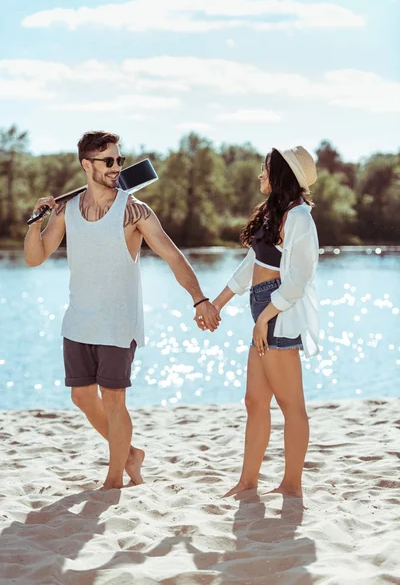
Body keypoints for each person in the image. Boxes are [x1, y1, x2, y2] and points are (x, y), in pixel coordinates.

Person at [24, 130, 221, 490]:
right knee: (81, 396)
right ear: (87, 165)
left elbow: (172, 255)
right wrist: (37, 220)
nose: (116, 167)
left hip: (117, 322)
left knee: (114, 400)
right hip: (78, 320)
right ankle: (129, 453)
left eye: (120, 160)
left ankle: (115, 477)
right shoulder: (68, 210)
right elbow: (35, 258)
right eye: (108, 161)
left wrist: (199, 298)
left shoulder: (134, 210)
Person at [208, 145, 320, 498]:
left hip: (278, 313)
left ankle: (292, 485)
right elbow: (251, 268)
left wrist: (265, 319)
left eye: (265, 168)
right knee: (255, 402)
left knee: (291, 406)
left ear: (281, 174)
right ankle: (248, 481)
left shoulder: (300, 217)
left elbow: (299, 279)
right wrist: (217, 304)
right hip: (264, 308)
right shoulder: (278, 213)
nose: (260, 174)